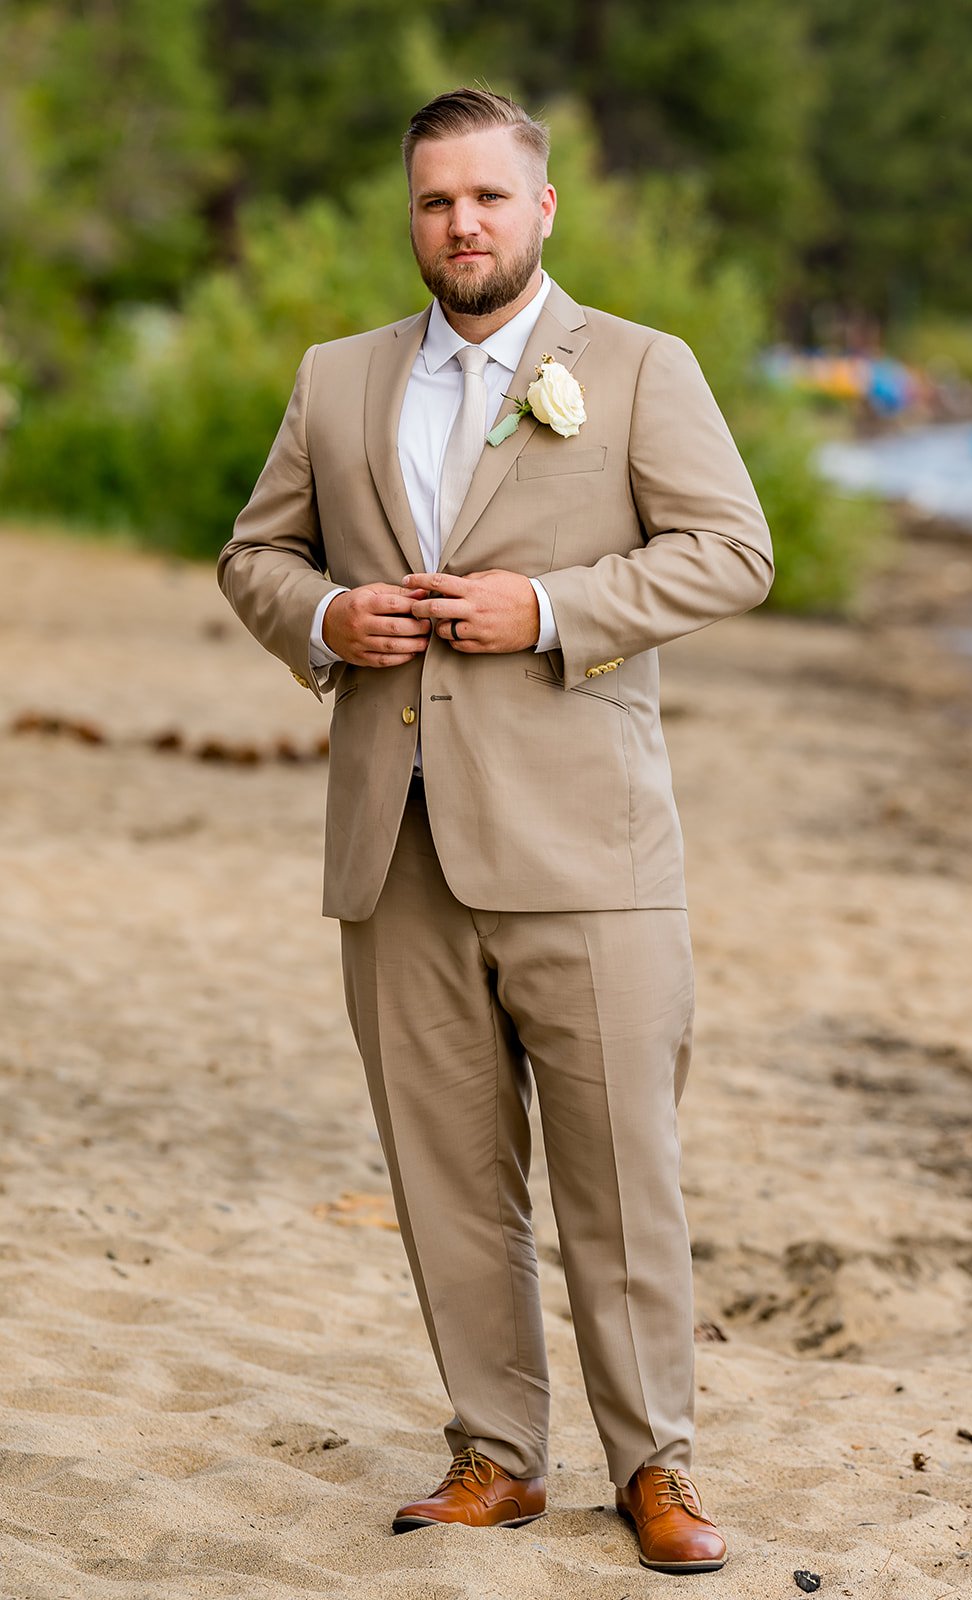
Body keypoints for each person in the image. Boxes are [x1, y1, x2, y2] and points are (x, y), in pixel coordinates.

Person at [218, 86, 773, 1576]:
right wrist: (329, 614)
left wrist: (558, 610)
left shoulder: (643, 369)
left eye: (484, 197)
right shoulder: (337, 379)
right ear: (413, 218)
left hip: (588, 852)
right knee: (448, 1178)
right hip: (391, 848)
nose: (458, 223)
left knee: (621, 1178)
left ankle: (654, 1468)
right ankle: (497, 1457)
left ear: (541, 212)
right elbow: (254, 552)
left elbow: (734, 550)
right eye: (432, 201)